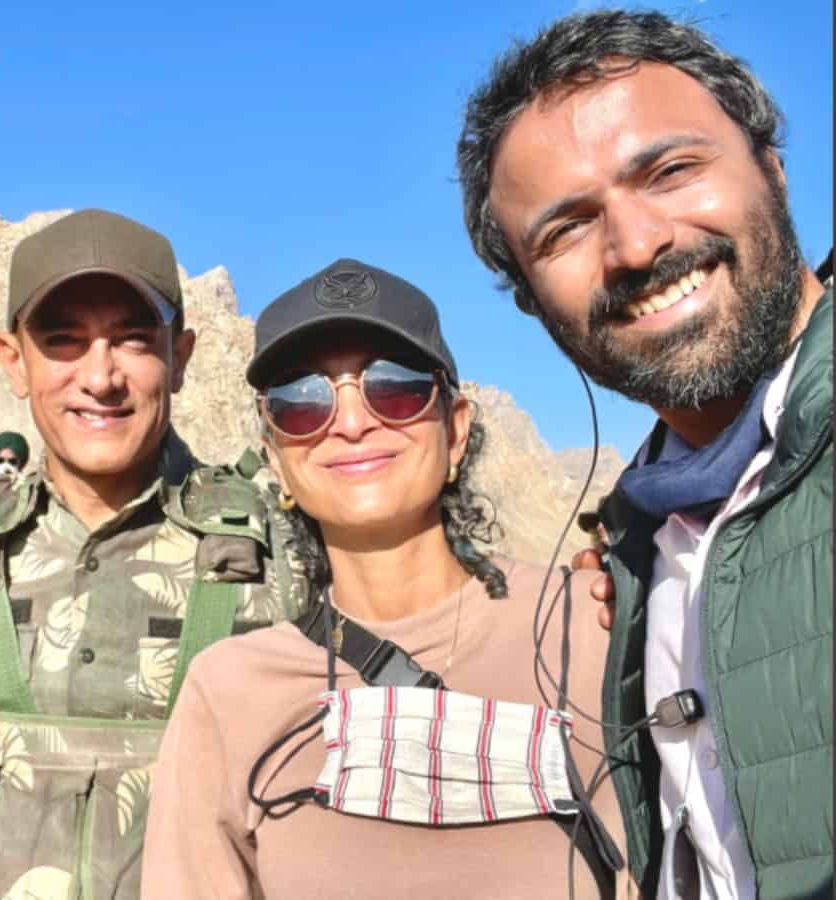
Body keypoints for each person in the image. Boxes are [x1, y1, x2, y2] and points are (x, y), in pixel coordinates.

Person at [457, 10, 832, 899]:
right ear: (531, 300)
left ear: (771, 167)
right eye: (565, 229)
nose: (636, 246)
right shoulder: (637, 542)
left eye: (670, 172)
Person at [143, 258, 632, 899]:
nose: (351, 423)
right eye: (300, 402)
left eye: (394, 387)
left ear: (456, 429)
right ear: (275, 461)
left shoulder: (594, 625)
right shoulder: (229, 691)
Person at [0, 209, 306, 899]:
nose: (100, 378)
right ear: (13, 361)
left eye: (132, 341)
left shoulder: (279, 551)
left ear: (180, 358)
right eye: (63, 342)